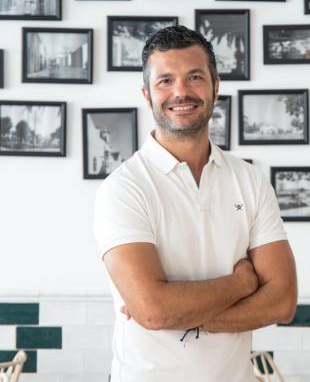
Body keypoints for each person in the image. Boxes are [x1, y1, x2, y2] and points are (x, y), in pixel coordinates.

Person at [93, 25, 297, 382]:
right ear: (146, 94)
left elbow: (282, 301)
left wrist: (182, 314)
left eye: (195, 77)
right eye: (165, 81)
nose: (181, 92)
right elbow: (154, 310)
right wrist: (241, 284)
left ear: (216, 87)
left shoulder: (249, 180)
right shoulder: (124, 188)